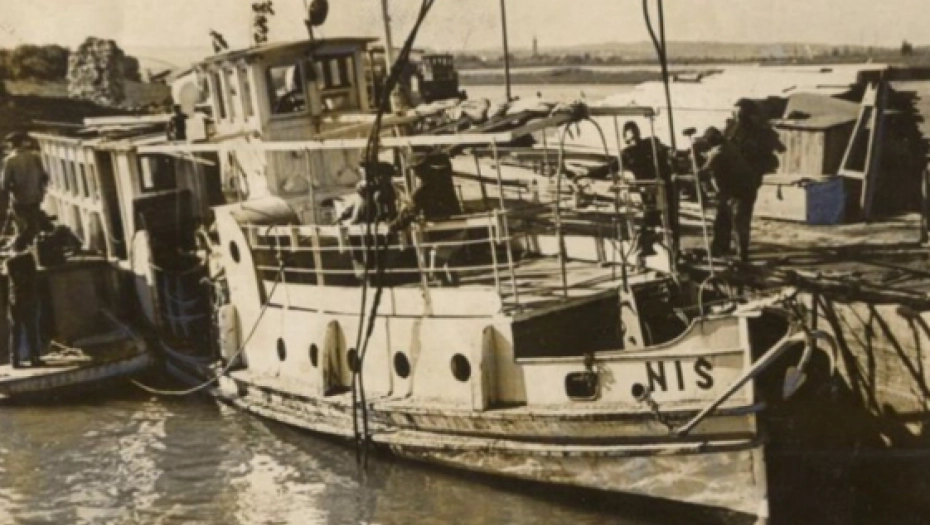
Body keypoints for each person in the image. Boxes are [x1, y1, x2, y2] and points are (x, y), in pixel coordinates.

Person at [699, 126, 757, 261]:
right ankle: (720, 249)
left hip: (740, 192)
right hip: (733, 192)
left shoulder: (719, 152)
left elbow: (703, 173)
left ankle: (742, 255)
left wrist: (681, 176)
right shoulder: (728, 147)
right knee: (723, 219)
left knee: (739, 222)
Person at [620, 121, 678, 248]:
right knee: (651, 217)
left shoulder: (651, 143)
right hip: (647, 189)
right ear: (625, 138)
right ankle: (647, 246)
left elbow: (665, 149)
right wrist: (588, 174)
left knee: (670, 218)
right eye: (631, 137)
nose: (634, 139)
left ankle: (673, 248)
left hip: (663, 185)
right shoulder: (626, 154)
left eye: (635, 132)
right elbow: (610, 167)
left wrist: (670, 152)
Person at [2, 132, 49, 251]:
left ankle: (19, 249)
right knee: (34, 225)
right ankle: (36, 249)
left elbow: (5, 184)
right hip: (35, 197)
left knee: (21, 227)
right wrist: (41, 191)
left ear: (12, 145)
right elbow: (44, 177)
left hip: (19, 199)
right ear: (23, 143)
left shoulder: (10, 161)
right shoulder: (35, 157)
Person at [5, 250, 43, 368]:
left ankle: (14, 360)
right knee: (31, 329)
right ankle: (34, 357)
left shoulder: (9, 262)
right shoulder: (28, 259)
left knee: (15, 330)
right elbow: (33, 276)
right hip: (28, 298)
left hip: (15, 299)